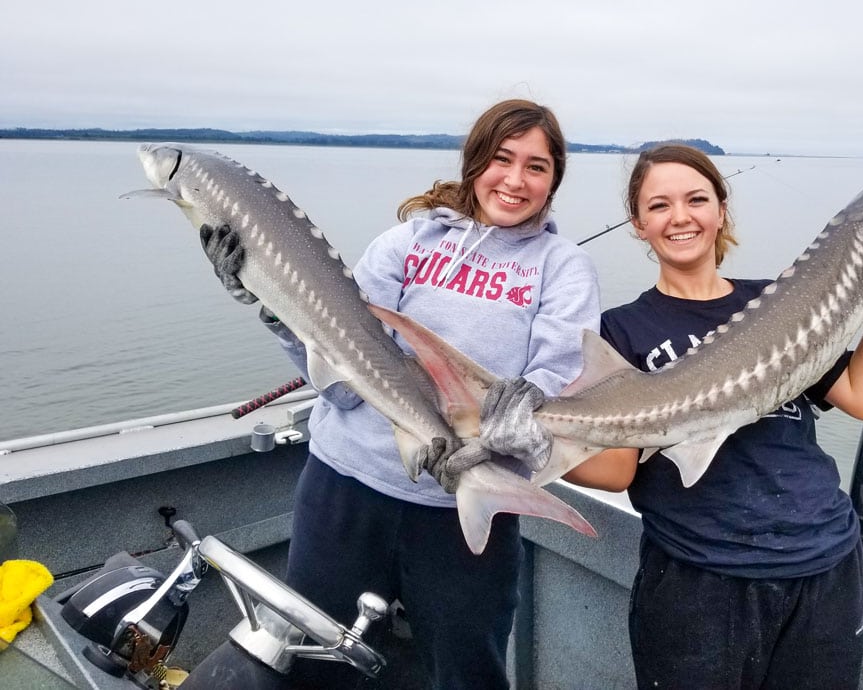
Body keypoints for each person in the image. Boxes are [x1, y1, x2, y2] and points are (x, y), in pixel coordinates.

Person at [200, 99, 601, 689]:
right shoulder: (408, 242)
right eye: (501, 158)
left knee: (468, 670)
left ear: (553, 180)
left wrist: (509, 426)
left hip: (465, 506)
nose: (515, 180)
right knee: (314, 658)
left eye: (537, 167)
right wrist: (272, 304)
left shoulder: (562, 267)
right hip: (345, 487)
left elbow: (557, 375)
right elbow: (338, 377)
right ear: (474, 163)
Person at [553, 144, 863, 689]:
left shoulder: (780, 300)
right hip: (698, 579)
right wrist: (531, 442)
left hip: (824, 564)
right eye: (659, 205)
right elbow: (617, 472)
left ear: (720, 210)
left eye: (696, 199)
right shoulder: (622, 330)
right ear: (638, 224)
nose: (681, 216)